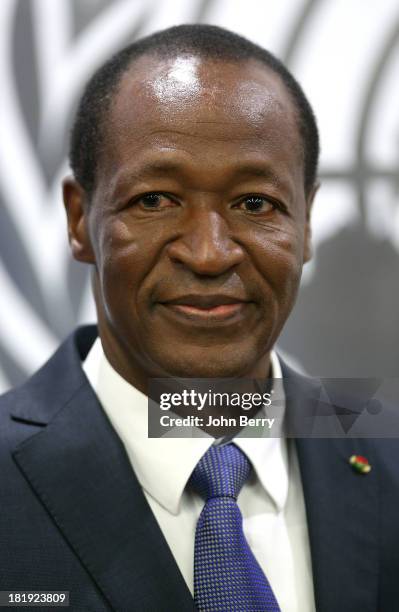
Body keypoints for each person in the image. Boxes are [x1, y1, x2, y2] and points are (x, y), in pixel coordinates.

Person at [0, 24, 398, 612]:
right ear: (80, 219)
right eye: (155, 200)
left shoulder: (386, 452)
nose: (210, 253)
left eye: (254, 203)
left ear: (306, 223)